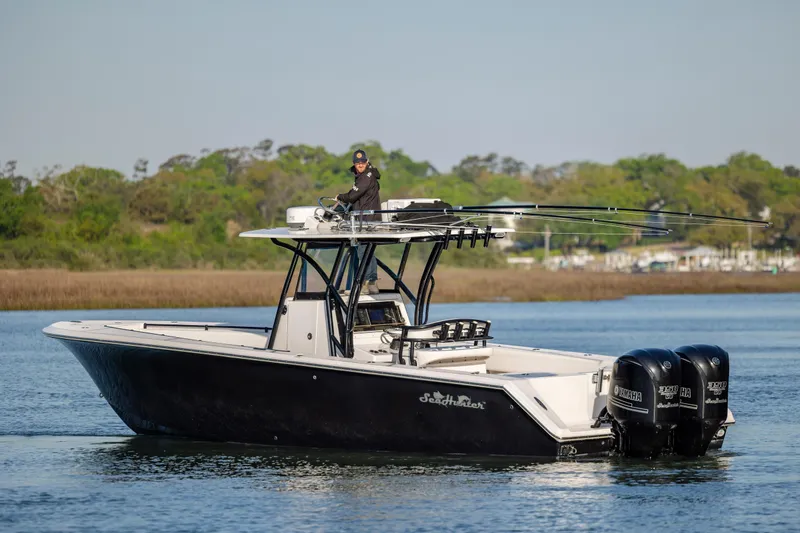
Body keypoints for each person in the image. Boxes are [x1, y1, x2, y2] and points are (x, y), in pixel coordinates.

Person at [336, 150, 381, 295]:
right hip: (368, 220)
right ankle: (371, 284)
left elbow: (353, 195)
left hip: (366, 221)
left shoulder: (366, 177)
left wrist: (340, 197)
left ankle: (366, 284)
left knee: (363, 250)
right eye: (357, 163)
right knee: (367, 250)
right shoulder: (369, 175)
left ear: (366, 162)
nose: (360, 165)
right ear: (354, 164)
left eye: (362, 163)